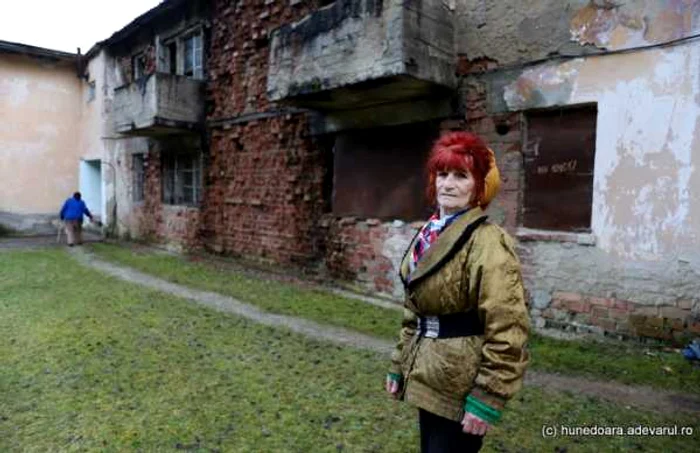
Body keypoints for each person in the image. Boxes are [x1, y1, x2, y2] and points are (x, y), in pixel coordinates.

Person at [385, 131, 530, 453]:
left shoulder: (488, 241)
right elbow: (414, 310)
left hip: (461, 381)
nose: (447, 184)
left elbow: (508, 325)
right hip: (427, 371)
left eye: (461, 176)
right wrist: (399, 365)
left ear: (479, 186)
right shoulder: (431, 231)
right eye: (442, 174)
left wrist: (487, 397)